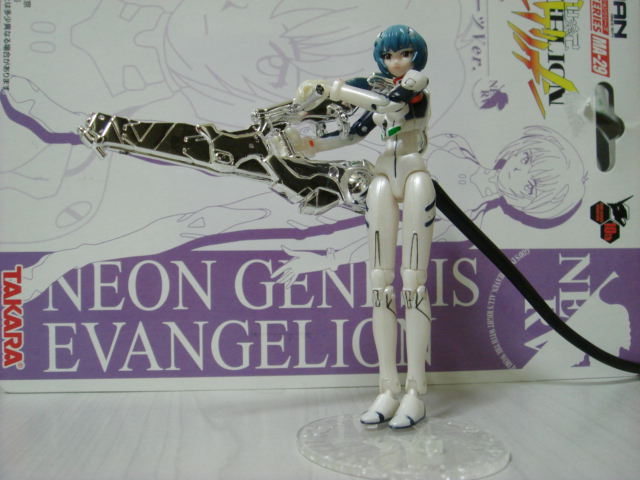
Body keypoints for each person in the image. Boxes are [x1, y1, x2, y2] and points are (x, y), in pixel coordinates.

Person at [290, 25, 433, 429]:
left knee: (414, 283)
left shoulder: (414, 85)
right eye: (389, 56)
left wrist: (333, 88)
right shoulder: (381, 90)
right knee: (379, 282)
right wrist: (308, 145)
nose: (396, 62)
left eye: (403, 53)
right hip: (383, 175)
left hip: (414, 174)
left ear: (415, 56)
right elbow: (352, 133)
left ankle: (416, 390)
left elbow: (391, 100)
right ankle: (388, 387)